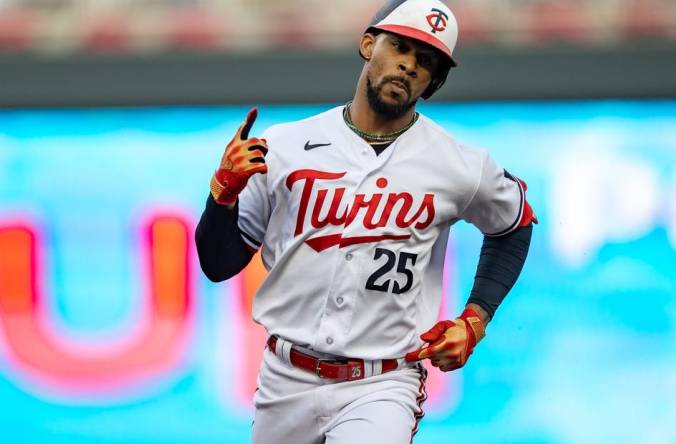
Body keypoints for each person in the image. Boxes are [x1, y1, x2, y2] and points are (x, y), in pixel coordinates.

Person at [195, 0, 536, 442]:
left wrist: (475, 318)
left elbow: (516, 222)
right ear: (369, 44)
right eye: (401, 47)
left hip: (382, 382)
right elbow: (217, 265)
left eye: (426, 61)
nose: (410, 65)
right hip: (285, 377)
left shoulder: (459, 165)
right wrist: (221, 195)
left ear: (434, 82)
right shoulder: (285, 145)